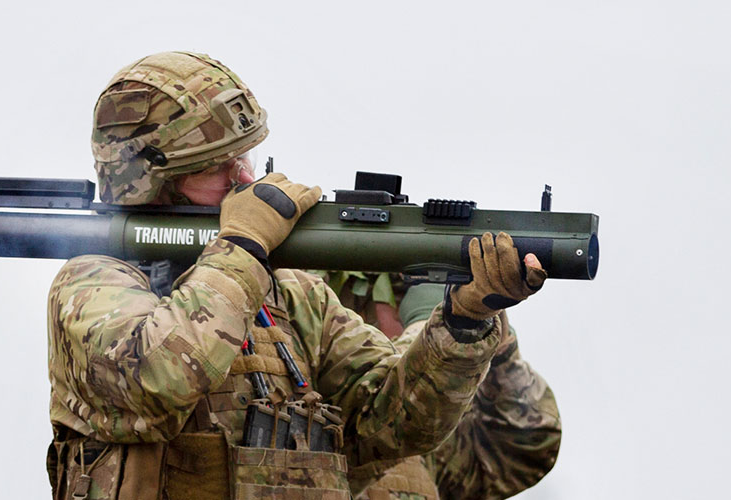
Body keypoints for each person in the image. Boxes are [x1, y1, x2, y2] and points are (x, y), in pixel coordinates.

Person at [45, 51, 549, 500]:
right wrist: (242, 246)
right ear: (155, 183)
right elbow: (155, 380)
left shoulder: (292, 295)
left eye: (242, 156)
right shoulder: (92, 284)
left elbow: (393, 424)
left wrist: (462, 321)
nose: (243, 178)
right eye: (214, 167)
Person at [320, 276, 561, 499]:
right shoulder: (315, 393)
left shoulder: (433, 420)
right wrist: (426, 326)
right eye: (400, 300)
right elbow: (378, 419)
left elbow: (529, 448)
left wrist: (501, 353)